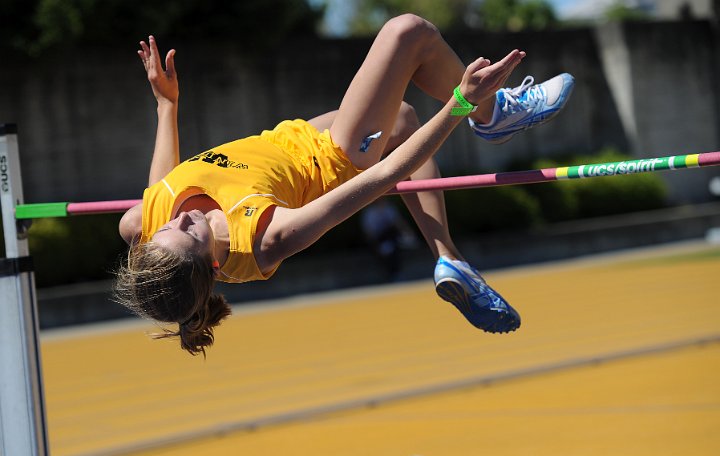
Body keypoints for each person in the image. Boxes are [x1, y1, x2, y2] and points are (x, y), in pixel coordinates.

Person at [114, 14, 574, 356]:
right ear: (212, 268)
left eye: (171, 226)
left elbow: (163, 186)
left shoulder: (148, 223)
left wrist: (166, 106)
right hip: (337, 154)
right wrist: (459, 102)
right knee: (407, 33)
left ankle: (449, 259)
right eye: (192, 232)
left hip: (293, 137)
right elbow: (385, 175)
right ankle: (492, 115)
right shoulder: (264, 239)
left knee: (405, 120)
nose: (185, 217)